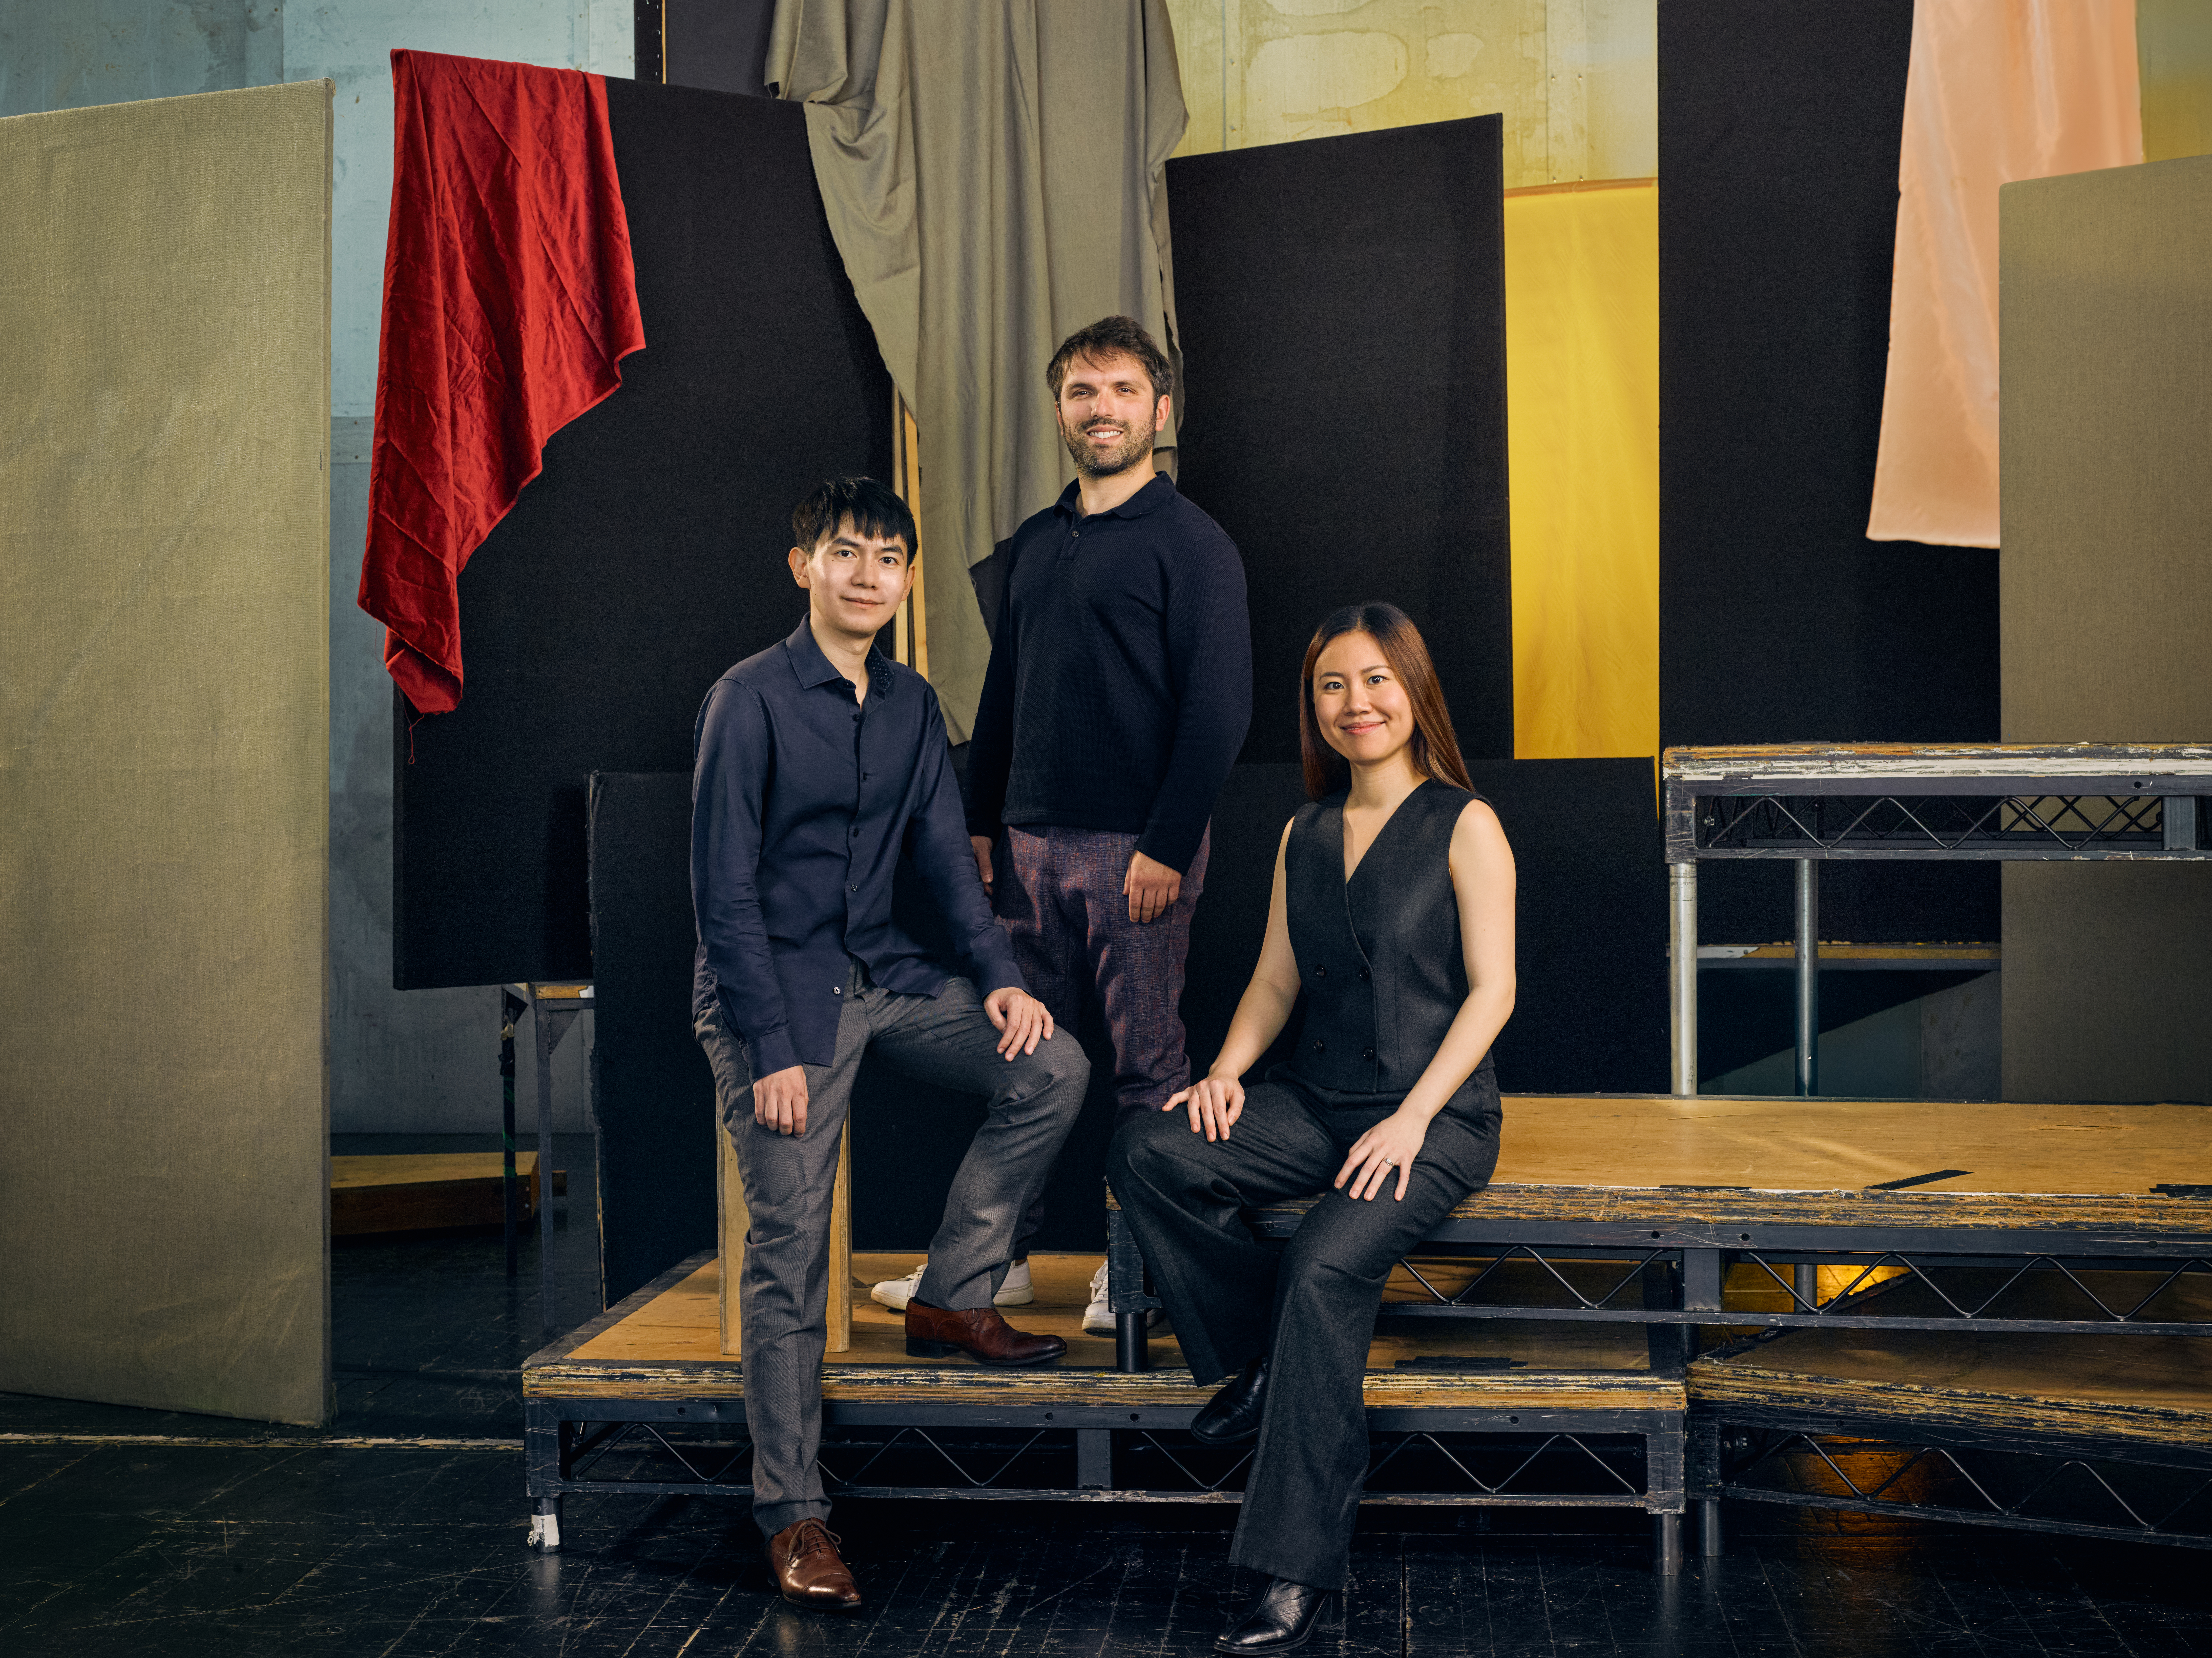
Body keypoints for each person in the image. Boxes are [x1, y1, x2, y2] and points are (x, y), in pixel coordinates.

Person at [691, 477, 1089, 1611]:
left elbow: (943, 869)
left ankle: (951, 1293)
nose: (868, 575)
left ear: (908, 582)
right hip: (771, 997)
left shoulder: (911, 704)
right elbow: (720, 896)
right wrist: (768, 1047)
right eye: (846, 554)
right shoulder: (748, 701)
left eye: (888, 560)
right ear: (802, 565)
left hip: (881, 975)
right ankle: (794, 1515)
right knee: (791, 1252)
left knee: (1051, 1067)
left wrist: (1002, 981)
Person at [1107, 602, 1516, 1654]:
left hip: (1433, 1117)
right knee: (1151, 1147)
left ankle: (1290, 1573)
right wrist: (1226, 1073)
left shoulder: (1464, 824)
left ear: (1412, 690)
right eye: (1332, 685)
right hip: (1314, 1099)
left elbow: (1492, 993)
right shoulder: (1306, 831)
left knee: (1326, 1265)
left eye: (1374, 680)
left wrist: (1416, 1120)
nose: (1354, 703)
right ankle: (1261, 1368)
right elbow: (1274, 978)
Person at [871, 315, 1253, 1333]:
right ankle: (992, 1264)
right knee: (1024, 1067)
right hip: (1026, 847)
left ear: (1158, 411)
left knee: (1145, 1069)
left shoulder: (1195, 546)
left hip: (1138, 851)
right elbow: (1002, 695)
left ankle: (1133, 1273)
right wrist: (983, 824)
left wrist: (1166, 844)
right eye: (1082, 393)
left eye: (1123, 391)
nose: (1102, 410)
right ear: (1058, 411)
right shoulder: (1037, 545)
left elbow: (1219, 711)